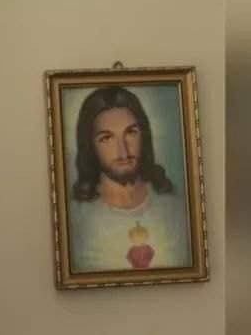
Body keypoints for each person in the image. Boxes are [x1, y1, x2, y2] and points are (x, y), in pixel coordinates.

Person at [68, 85, 192, 273]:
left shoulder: (177, 205)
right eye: (106, 138)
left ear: (144, 135)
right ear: (90, 146)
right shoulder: (74, 218)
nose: (123, 151)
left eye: (131, 132)